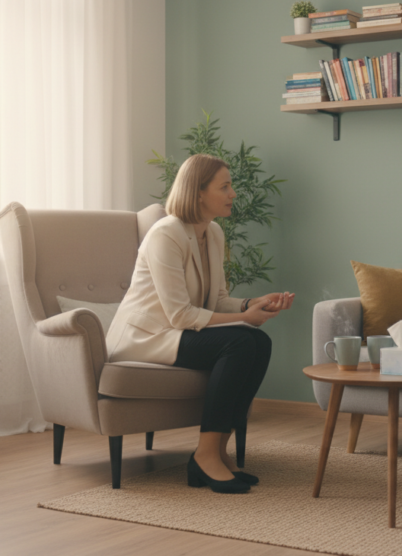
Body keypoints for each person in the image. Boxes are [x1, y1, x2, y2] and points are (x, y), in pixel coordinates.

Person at [106, 153, 295, 494]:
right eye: (224, 187)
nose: (233, 193)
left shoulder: (214, 233)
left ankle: (219, 452)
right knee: (240, 340)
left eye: (230, 186)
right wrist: (243, 319)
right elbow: (180, 314)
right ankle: (205, 454)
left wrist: (253, 304)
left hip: (178, 331)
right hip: (148, 337)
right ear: (197, 193)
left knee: (259, 341)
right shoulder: (166, 234)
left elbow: (218, 298)